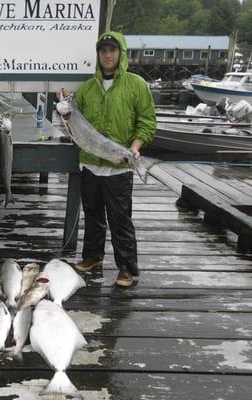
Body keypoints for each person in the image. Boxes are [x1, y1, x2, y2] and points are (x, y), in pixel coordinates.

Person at [63, 31, 156, 287]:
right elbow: (72, 122)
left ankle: (126, 267)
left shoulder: (137, 85)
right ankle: (92, 256)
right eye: (103, 50)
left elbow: (147, 121)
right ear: (98, 55)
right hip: (91, 164)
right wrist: (65, 105)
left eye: (112, 50)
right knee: (92, 215)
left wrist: (135, 148)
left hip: (119, 165)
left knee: (120, 219)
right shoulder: (85, 89)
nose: (107, 55)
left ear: (121, 53)